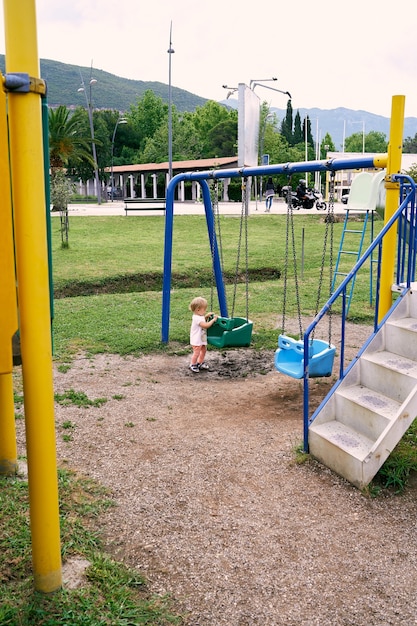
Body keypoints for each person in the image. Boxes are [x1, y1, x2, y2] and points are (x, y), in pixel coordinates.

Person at [189, 296, 218, 372]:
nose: (205, 311)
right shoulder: (196, 318)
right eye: (204, 309)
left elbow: (203, 321)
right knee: (197, 352)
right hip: (196, 339)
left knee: (204, 350)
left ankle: (200, 362)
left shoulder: (200, 316)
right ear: (198, 309)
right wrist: (213, 320)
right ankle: (193, 364)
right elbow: (205, 325)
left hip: (201, 338)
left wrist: (206, 316)